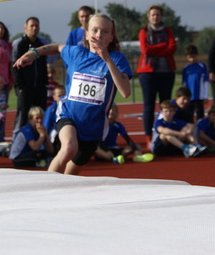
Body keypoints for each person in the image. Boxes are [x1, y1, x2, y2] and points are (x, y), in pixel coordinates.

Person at [13, 14, 132, 175]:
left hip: (93, 125)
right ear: (87, 34)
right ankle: (44, 188)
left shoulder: (118, 59)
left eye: (104, 32)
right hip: (68, 113)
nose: (98, 35)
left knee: (74, 169)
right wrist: (34, 53)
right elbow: (56, 47)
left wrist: (107, 59)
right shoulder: (77, 53)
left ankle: (63, 193)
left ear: (111, 37)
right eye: (95, 30)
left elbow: (125, 92)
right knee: (69, 147)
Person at [137, 5, 177, 145]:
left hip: (166, 72)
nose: (155, 17)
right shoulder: (143, 31)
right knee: (149, 105)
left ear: (161, 16)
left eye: (158, 15)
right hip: (148, 73)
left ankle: (166, 134)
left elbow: (172, 48)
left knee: (166, 105)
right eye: (153, 15)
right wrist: (162, 46)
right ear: (149, 16)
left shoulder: (168, 31)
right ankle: (149, 137)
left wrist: (158, 49)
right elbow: (146, 50)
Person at [11, 17, 47, 133]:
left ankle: (38, 144)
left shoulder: (41, 44)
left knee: (40, 117)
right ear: (25, 28)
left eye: (36, 26)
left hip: (40, 88)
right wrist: (20, 86)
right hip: (25, 88)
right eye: (32, 26)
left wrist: (45, 83)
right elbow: (15, 66)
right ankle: (18, 141)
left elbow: (43, 65)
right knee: (23, 116)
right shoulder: (20, 44)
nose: (34, 28)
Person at [182, 44, 209, 121]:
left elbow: (205, 82)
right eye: (190, 57)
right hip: (189, 97)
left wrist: (206, 96)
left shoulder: (202, 67)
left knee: (200, 116)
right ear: (187, 57)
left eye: (194, 56)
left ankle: (200, 131)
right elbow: (184, 83)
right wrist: (183, 96)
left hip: (199, 97)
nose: (192, 59)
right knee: (188, 116)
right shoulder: (186, 68)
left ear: (197, 55)